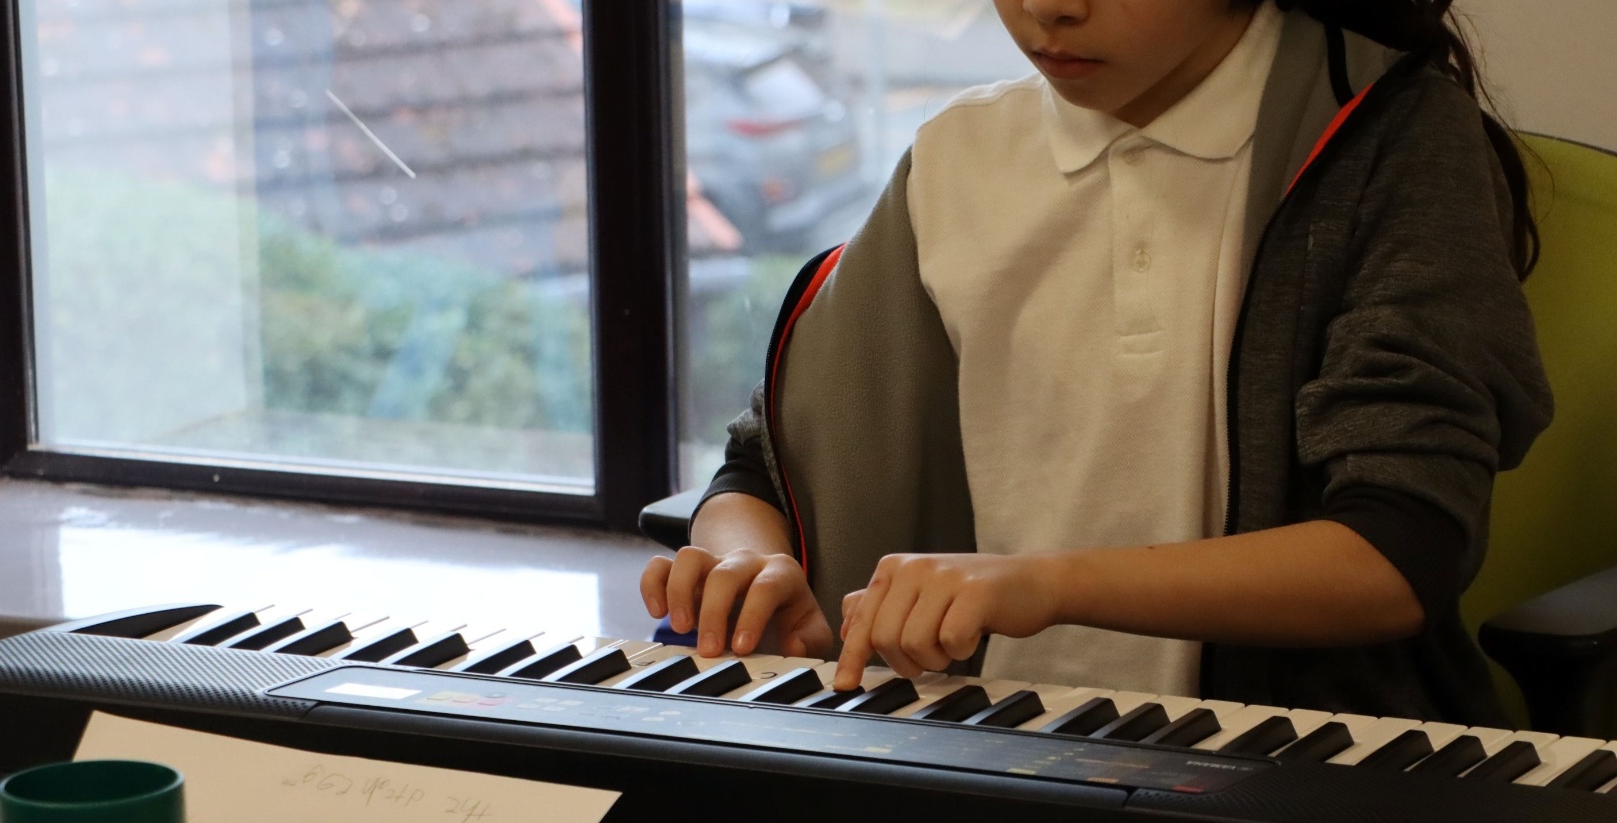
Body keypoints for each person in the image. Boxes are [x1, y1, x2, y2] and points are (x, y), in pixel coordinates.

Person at [640, 0, 1553, 726]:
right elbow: (763, 466)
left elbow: (1398, 550)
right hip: (978, 738)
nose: (1050, 7)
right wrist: (749, 564)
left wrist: (1041, 584)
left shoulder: (1386, 137)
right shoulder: (957, 158)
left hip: (1281, 750)